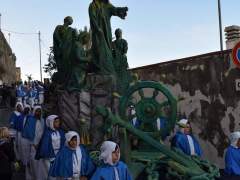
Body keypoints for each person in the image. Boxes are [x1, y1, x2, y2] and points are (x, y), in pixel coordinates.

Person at [89, 0, 128, 75]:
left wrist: (121, 10)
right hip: (98, 32)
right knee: (98, 47)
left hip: (107, 31)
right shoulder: (93, 5)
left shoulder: (107, 5)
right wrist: (97, 28)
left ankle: (107, 66)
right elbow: (92, 18)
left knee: (108, 48)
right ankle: (98, 66)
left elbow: (115, 10)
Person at [35, 115, 65, 180]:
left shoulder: (61, 132)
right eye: (56, 122)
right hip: (50, 158)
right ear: (51, 123)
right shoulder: (47, 134)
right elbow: (44, 147)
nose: (58, 123)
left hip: (59, 157)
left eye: (58, 121)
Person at [22, 105, 44, 180]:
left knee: (40, 167)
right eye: (37, 111)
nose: (38, 113)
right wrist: (34, 144)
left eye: (39, 111)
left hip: (40, 146)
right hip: (32, 146)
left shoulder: (42, 120)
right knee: (31, 165)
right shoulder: (30, 120)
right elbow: (28, 134)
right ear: (34, 111)